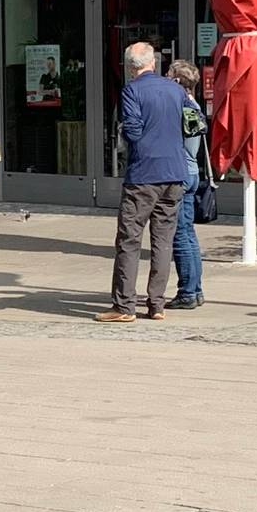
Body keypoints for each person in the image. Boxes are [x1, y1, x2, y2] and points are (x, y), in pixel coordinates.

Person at [99, 42, 184, 323]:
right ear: (154, 63)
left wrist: (131, 135)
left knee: (129, 240)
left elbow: (133, 131)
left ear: (130, 66)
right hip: (174, 172)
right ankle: (157, 305)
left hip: (143, 175)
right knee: (163, 241)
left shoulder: (132, 90)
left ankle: (124, 306)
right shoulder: (175, 88)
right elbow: (193, 123)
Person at [165, 60, 211, 311]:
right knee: (189, 235)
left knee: (181, 235)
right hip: (192, 171)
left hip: (181, 173)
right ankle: (196, 289)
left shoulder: (183, 105)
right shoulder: (193, 104)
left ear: (176, 81)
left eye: (168, 75)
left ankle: (187, 292)